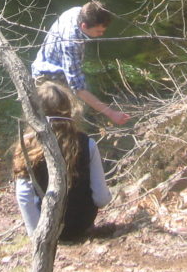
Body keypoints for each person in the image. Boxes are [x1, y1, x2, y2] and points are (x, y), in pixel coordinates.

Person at [12, 82, 112, 241]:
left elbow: (24, 195)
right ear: (70, 110)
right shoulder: (88, 144)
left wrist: (36, 234)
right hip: (81, 225)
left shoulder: (27, 145)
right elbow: (101, 199)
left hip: (46, 229)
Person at [31, 1, 131, 126]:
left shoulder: (79, 11)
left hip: (51, 62)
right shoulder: (72, 43)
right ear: (84, 26)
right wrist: (111, 113)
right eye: (98, 31)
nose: (102, 34)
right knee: (60, 121)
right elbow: (78, 88)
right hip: (49, 79)